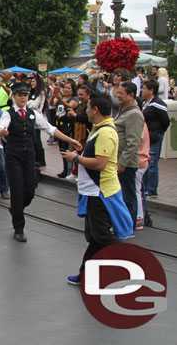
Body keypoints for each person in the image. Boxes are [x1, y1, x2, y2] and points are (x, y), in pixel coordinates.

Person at [61, 91, 133, 285]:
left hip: (100, 191)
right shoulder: (99, 128)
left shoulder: (107, 132)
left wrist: (76, 158)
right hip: (92, 190)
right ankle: (85, 275)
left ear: (96, 109)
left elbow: (100, 164)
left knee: (101, 235)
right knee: (94, 236)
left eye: (88, 107)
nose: (86, 110)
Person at [0, 83, 81, 242]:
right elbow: (1, 128)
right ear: (14, 96)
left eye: (25, 95)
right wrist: (1, 132)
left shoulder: (33, 114)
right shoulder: (8, 114)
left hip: (29, 156)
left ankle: (16, 209)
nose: (23, 98)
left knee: (30, 190)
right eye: (19, 95)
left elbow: (51, 129)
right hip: (13, 157)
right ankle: (19, 228)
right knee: (17, 190)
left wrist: (70, 140)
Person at [114, 81, 144, 234]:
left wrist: (122, 162)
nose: (117, 95)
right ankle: (123, 224)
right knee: (122, 195)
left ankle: (129, 226)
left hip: (126, 163)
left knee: (128, 195)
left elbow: (133, 142)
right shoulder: (124, 110)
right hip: (119, 161)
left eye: (121, 93)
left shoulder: (134, 114)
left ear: (131, 95)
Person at [141, 79, 170, 198]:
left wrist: (158, 131)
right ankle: (145, 187)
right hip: (147, 135)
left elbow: (165, 121)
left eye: (144, 88)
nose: (142, 90)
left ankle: (152, 189)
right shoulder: (145, 102)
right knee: (146, 161)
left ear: (151, 90)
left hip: (154, 135)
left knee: (152, 162)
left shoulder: (158, 103)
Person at [50, 79, 78, 178]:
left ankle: (69, 171)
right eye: (65, 88)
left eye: (68, 88)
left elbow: (71, 106)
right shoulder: (61, 98)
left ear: (73, 89)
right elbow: (52, 103)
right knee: (62, 149)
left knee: (67, 149)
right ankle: (65, 170)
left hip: (67, 126)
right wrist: (54, 95)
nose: (66, 90)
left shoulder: (74, 99)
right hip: (59, 126)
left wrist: (61, 99)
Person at [66, 84, 92, 180]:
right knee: (77, 151)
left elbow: (87, 119)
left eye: (82, 94)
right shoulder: (81, 105)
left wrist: (75, 115)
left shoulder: (90, 105)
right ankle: (75, 172)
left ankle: (78, 173)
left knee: (82, 153)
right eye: (79, 94)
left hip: (85, 133)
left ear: (88, 95)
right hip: (76, 132)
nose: (80, 97)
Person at [27, 75, 47, 168]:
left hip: (37, 117)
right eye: (31, 82)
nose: (32, 83)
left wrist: (29, 103)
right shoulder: (31, 92)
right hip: (30, 117)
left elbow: (34, 105)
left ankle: (41, 159)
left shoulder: (41, 92)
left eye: (33, 82)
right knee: (32, 138)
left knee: (36, 139)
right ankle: (34, 158)